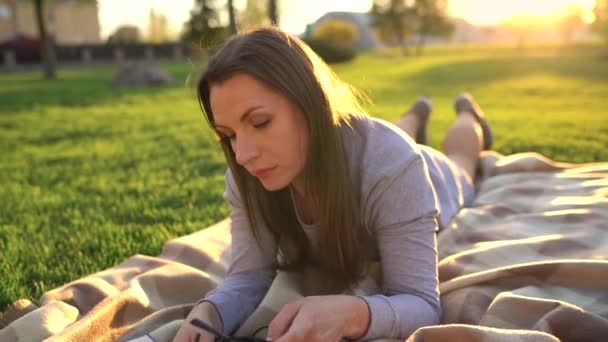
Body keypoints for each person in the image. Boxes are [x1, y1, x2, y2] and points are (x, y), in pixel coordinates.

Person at [173, 26, 493, 342]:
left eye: (260, 123)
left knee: (461, 162)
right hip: (368, 144)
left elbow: (421, 303)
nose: (242, 155)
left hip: (431, 175)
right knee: (384, 136)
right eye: (228, 135)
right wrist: (210, 312)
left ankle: (468, 112)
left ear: (310, 103)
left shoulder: (395, 165)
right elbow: (248, 275)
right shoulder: (247, 175)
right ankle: (415, 115)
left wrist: (353, 314)